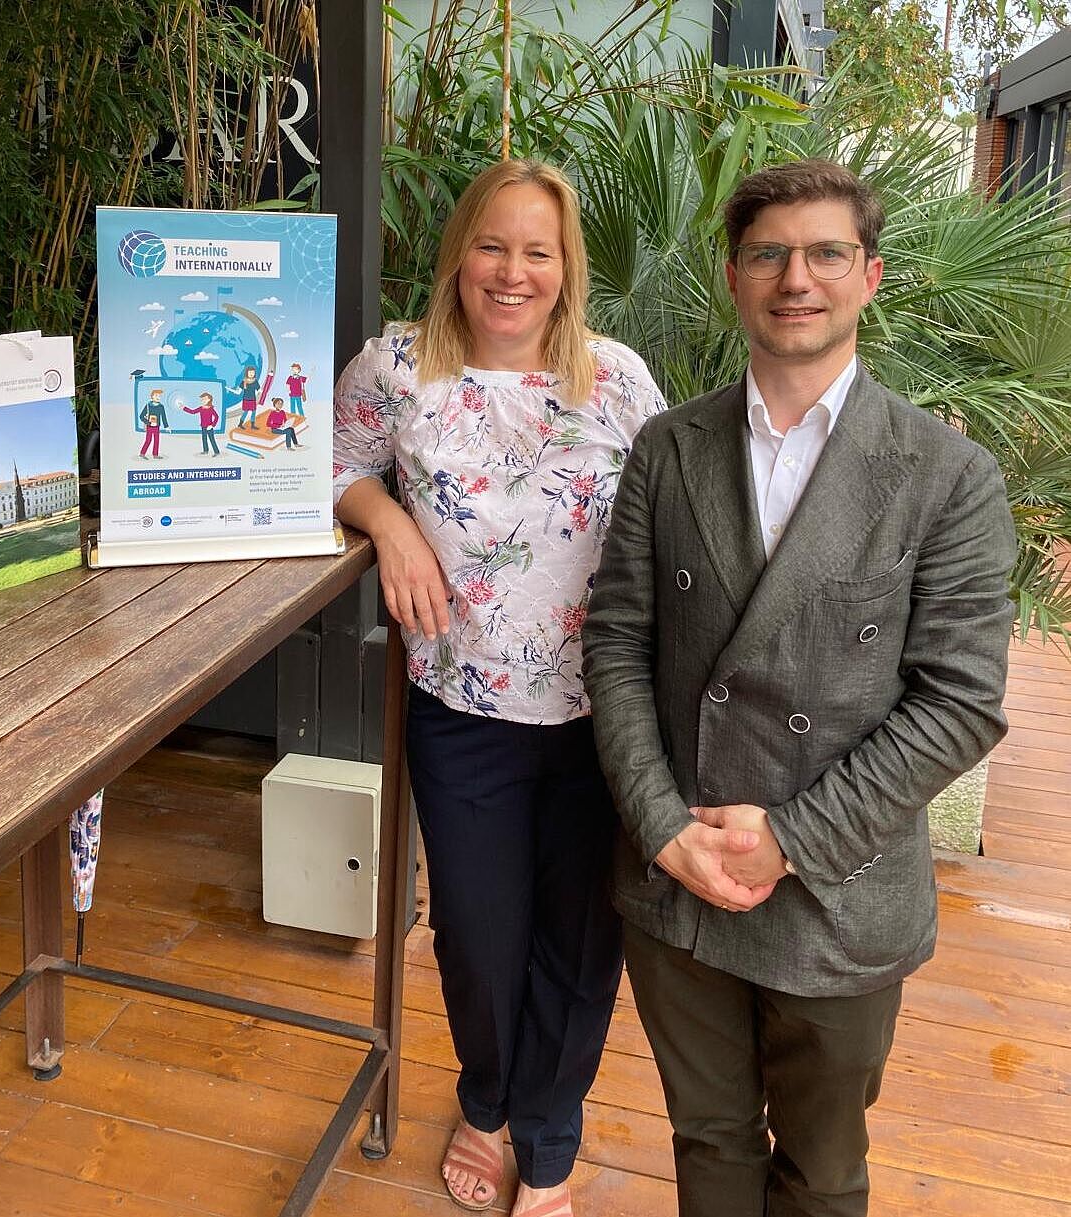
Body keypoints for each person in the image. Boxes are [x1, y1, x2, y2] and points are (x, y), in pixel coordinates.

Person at [581, 158, 1016, 1217]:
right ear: (733, 276)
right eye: (768, 254)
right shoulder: (667, 447)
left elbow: (960, 700)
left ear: (870, 275)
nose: (796, 278)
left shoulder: (946, 475)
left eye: (825, 253)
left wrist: (793, 837)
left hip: (837, 888)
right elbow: (618, 641)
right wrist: (659, 825)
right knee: (708, 1142)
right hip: (681, 871)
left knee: (822, 1173)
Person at [333, 159, 664, 1217]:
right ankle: (485, 1098)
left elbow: (673, 517)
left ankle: (547, 1135)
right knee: (477, 936)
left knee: (582, 942)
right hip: (459, 705)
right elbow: (328, 462)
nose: (511, 272)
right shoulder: (396, 365)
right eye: (492, 245)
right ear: (458, 254)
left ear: (566, 269)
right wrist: (388, 522)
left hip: (605, 712)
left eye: (537, 252)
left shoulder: (616, 379)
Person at [182, 391, 220, 456]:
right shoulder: (201, 408)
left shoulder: (211, 409)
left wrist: (212, 425)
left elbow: (216, 417)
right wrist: (184, 407)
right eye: (202, 399)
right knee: (204, 438)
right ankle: (205, 450)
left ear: (209, 399)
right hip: (203, 426)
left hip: (209, 427)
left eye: (205, 399)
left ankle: (216, 452)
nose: (203, 400)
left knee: (212, 439)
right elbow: (192, 412)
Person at [138, 387, 168, 459]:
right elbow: (141, 416)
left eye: (159, 396)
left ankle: (155, 455)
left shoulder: (161, 406)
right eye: (156, 395)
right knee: (148, 440)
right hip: (149, 426)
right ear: (152, 396)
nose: (158, 397)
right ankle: (142, 453)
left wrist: (166, 426)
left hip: (157, 426)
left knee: (156, 440)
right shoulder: (148, 406)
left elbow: (163, 416)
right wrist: (148, 422)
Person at [229, 365, 261, 429]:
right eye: (250, 372)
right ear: (247, 373)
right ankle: (240, 424)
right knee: (245, 412)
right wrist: (230, 389)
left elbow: (259, 390)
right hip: (246, 399)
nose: (251, 374)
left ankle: (252, 425)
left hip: (253, 399)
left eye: (253, 372)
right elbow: (238, 392)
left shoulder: (255, 381)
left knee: (254, 412)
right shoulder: (244, 381)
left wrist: (260, 391)